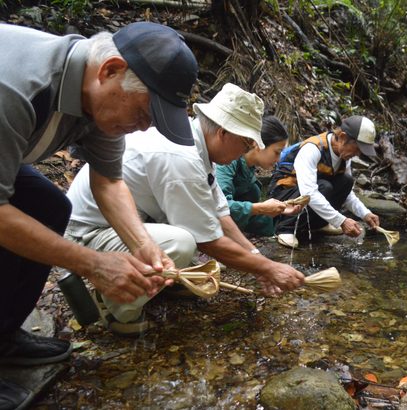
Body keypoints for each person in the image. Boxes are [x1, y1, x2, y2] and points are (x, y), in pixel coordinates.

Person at [0, 22, 199, 409]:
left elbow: (108, 181)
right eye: (144, 113)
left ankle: (4, 334)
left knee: (48, 207)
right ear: (110, 69)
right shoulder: (17, 87)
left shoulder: (100, 100)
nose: (143, 128)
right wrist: (93, 264)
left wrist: (143, 246)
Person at [65, 83, 305, 335]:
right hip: (88, 234)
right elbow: (208, 241)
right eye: (245, 145)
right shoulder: (182, 158)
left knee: (188, 236)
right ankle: (115, 305)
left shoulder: (196, 146)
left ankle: (162, 282)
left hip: (124, 225)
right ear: (223, 133)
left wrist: (257, 258)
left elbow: (220, 215)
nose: (245, 153)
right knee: (181, 243)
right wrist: (269, 269)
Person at [269, 115, 381, 248]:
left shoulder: (344, 157)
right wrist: (341, 221)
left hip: (309, 194)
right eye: (357, 148)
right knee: (324, 187)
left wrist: (365, 213)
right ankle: (285, 228)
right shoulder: (313, 149)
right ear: (343, 137)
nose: (357, 154)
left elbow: (347, 194)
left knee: (346, 181)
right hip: (283, 195)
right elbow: (308, 192)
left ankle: (319, 225)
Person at [216, 115, 302, 236]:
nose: (278, 160)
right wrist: (261, 207)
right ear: (258, 144)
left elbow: (247, 215)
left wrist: (279, 211)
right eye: (277, 152)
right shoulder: (227, 162)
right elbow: (219, 207)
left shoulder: (248, 168)